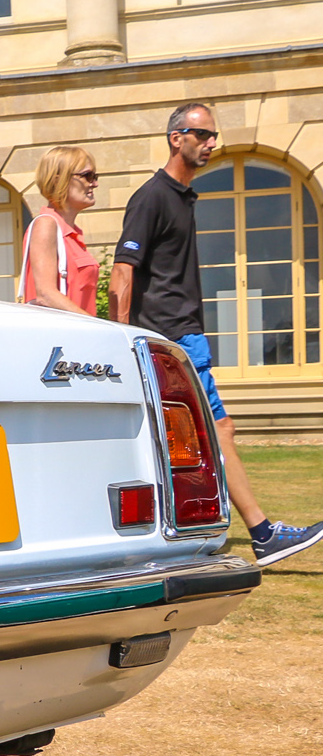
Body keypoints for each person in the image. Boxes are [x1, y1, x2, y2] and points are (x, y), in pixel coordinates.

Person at [112, 102, 323, 566]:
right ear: (176, 138)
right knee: (217, 430)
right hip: (172, 338)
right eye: (202, 134)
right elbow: (122, 272)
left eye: (213, 135)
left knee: (178, 442)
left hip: (183, 336)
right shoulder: (153, 196)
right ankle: (263, 533)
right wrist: (121, 341)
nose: (211, 143)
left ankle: (178, 532)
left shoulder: (183, 197)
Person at [18, 146, 100, 315]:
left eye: (94, 176)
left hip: (79, 329)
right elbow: (45, 295)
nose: (94, 183)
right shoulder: (46, 225)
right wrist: (97, 325)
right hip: (67, 330)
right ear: (58, 180)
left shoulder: (70, 234)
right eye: (87, 176)